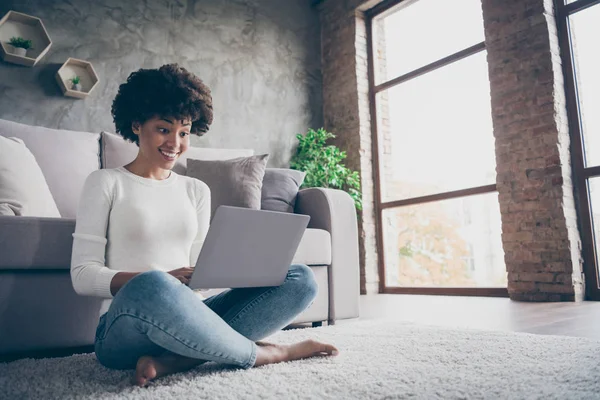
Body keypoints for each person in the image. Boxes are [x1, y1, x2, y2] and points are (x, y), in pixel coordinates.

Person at [70, 63, 338, 387]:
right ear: (137, 124)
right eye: (164, 129)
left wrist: (228, 270)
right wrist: (163, 279)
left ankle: (175, 360)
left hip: (193, 315)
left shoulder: (196, 189)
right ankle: (269, 354)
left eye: (184, 132)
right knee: (154, 283)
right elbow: (83, 275)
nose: (176, 142)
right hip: (127, 324)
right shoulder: (105, 182)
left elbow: (200, 279)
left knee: (301, 278)